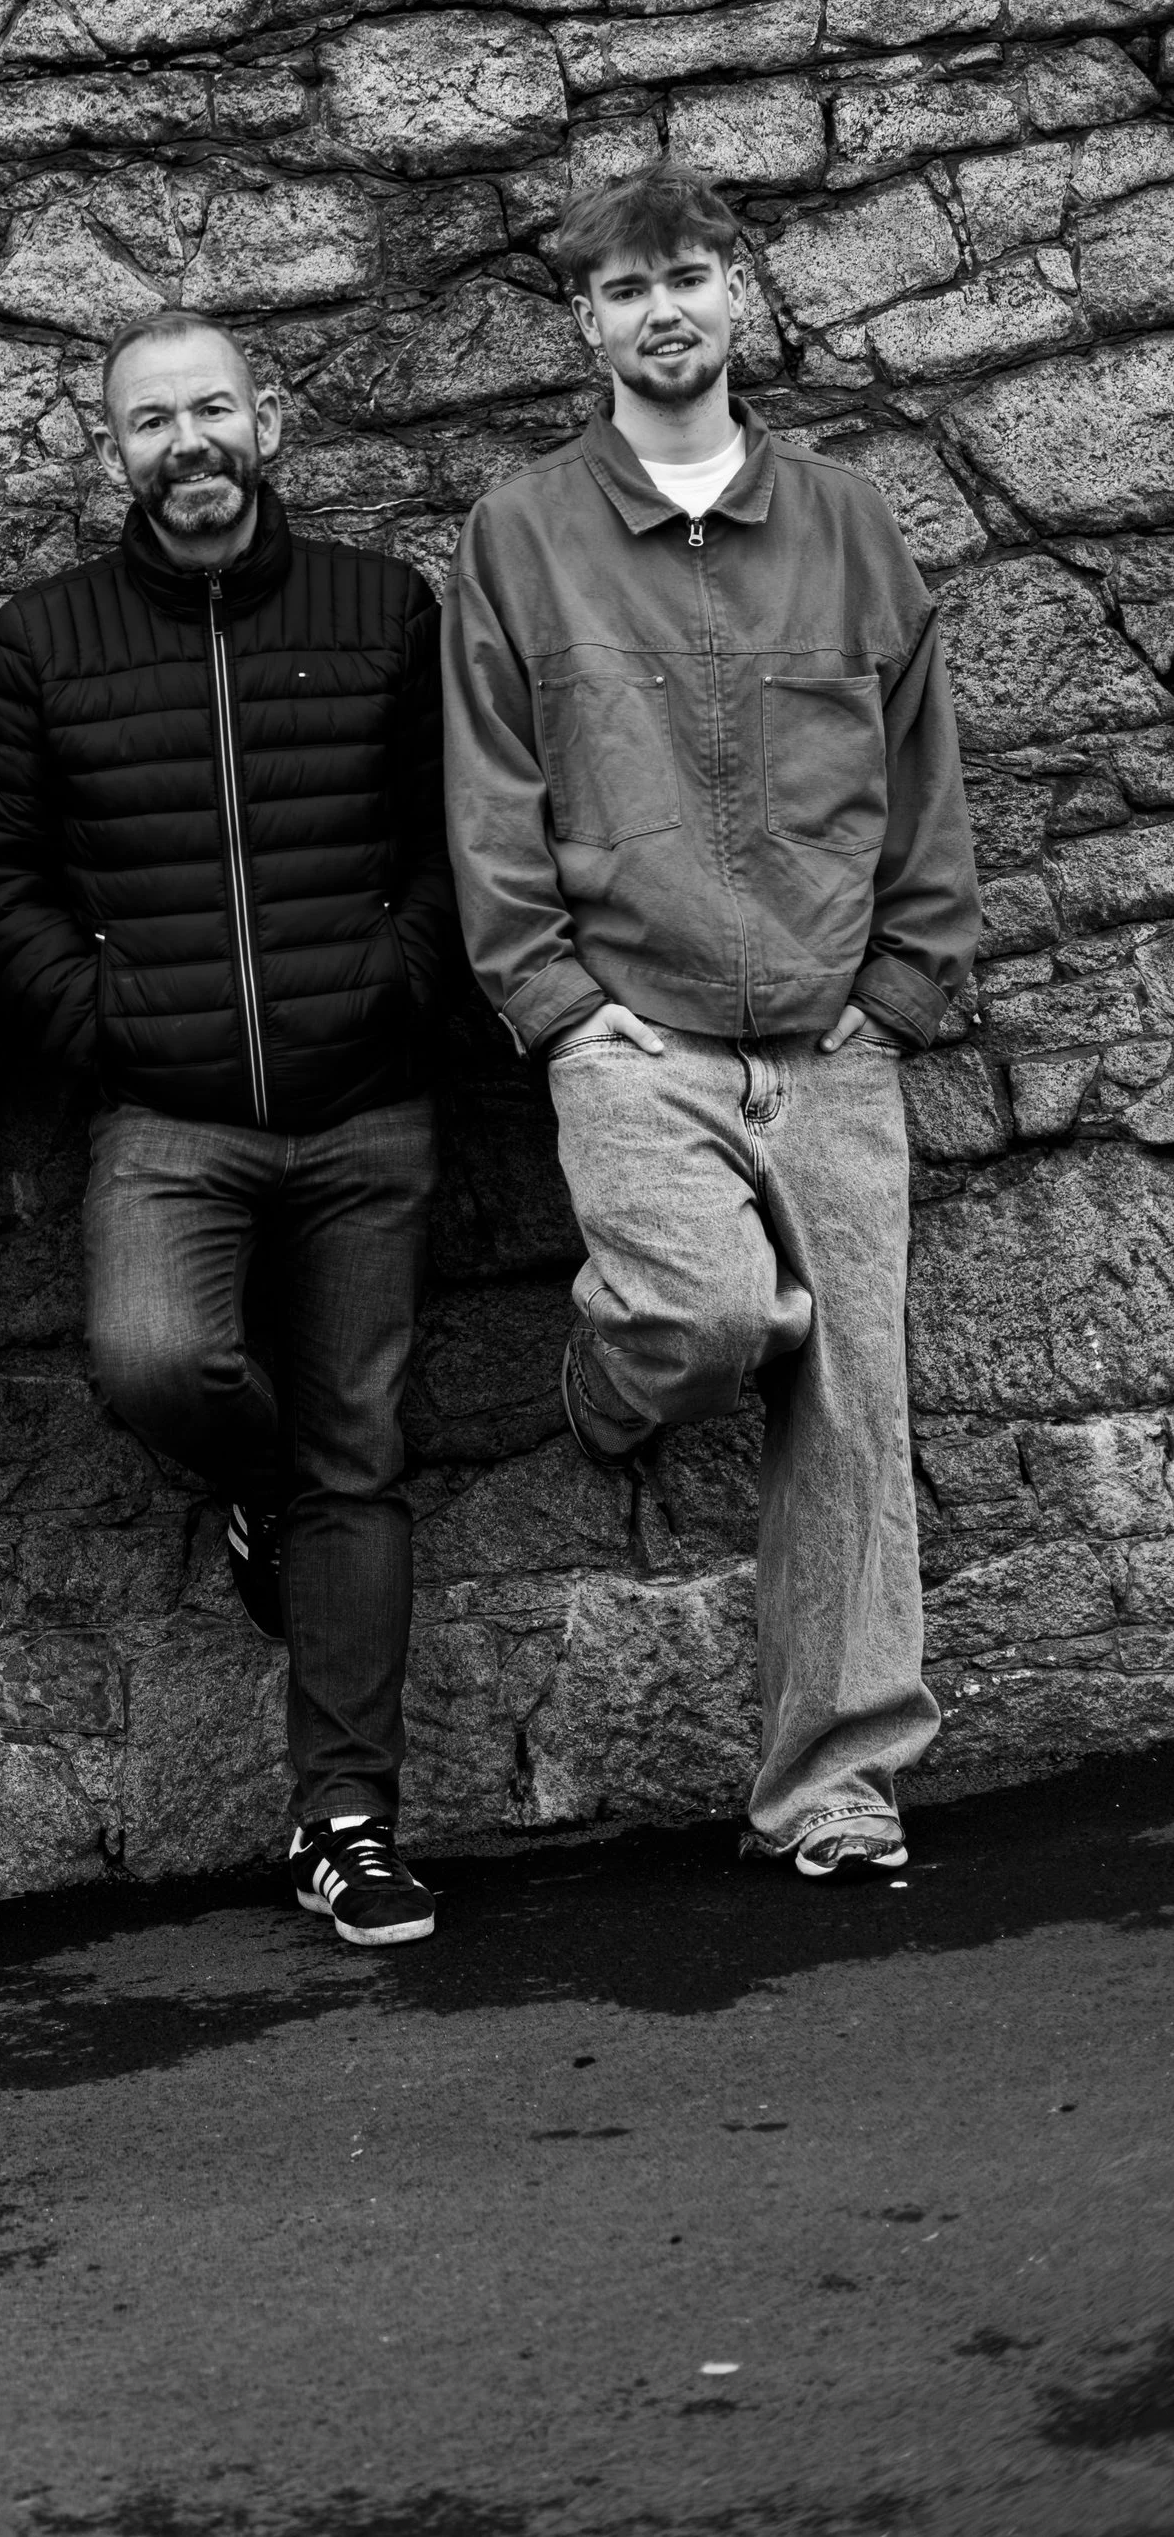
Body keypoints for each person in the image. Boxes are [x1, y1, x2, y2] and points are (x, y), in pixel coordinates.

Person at [442, 161, 980, 1880]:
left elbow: (924, 774)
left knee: (852, 1409)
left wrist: (900, 989)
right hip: (633, 1033)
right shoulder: (520, 533)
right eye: (624, 290)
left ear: (739, 297)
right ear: (583, 326)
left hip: (830, 1035)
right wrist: (559, 1008)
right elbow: (490, 789)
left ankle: (830, 1783)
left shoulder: (847, 520)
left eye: (688, 276)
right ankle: (617, 1385)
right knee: (704, 1309)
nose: (661, 311)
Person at [0, 310, 458, 1949]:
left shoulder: (387, 606)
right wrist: (100, 1020)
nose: (188, 443)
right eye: (152, 420)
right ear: (118, 450)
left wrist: (403, 978)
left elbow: (467, 827)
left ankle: (346, 1825)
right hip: (165, 1114)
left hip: (367, 1102)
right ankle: (268, 1489)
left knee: (362, 1450)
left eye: (213, 409)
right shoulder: (43, 639)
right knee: (154, 1359)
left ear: (270, 422)